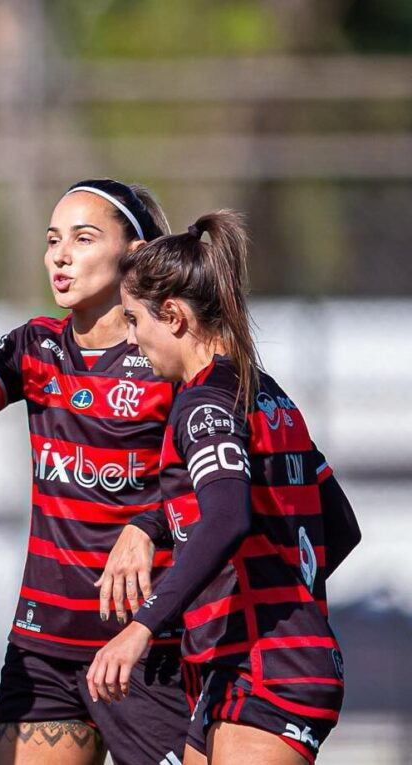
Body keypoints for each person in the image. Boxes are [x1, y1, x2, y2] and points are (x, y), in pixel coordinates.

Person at [0, 180, 195, 765]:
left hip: (147, 646)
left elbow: (212, 486)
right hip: (45, 648)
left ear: (133, 252)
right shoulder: (36, 347)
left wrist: (149, 526)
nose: (60, 254)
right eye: (53, 239)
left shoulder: (172, 353)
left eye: (83, 238)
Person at [85, 211, 361, 764]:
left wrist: (142, 626)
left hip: (267, 671)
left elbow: (227, 516)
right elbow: (340, 526)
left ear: (175, 316)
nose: (133, 341)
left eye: (136, 320)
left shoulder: (204, 402)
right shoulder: (266, 393)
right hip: (243, 667)